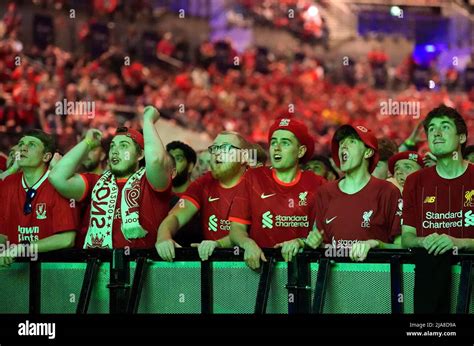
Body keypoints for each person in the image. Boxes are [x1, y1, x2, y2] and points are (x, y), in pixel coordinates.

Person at [49, 106, 172, 249]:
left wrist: (148, 121)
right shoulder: (96, 182)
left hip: (138, 268)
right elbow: (57, 177)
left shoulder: (151, 181)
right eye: (113, 146)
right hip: (97, 268)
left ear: (140, 155)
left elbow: (156, 159)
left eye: (124, 146)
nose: (115, 151)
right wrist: (87, 143)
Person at [229, 117, 325, 269]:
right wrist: (247, 243)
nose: (277, 148)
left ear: (301, 151)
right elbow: (236, 229)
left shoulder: (318, 183)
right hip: (260, 270)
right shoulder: (253, 177)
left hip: (302, 272)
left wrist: (302, 242)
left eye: (285, 143)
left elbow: (324, 231)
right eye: (273, 142)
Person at [306, 124, 402, 262]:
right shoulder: (324, 192)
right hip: (334, 278)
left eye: (351, 141)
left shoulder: (388, 192)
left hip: (376, 278)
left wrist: (377, 244)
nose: (343, 146)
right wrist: (315, 243)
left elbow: (402, 246)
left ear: (368, 152)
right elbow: (325, 248)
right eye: (341, 143)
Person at [156, 131, 249, 261]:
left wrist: (219, 244)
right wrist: (163, 238)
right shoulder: (204, 182)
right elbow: (176, 216)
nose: (217, 152)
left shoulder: (256, 183)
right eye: (214, 148)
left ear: (244, 157)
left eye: (225, 148)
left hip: (252, 268)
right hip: (212, 268)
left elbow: (247, 231)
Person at [402, 105, 474, 253]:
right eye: (432, 129)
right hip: (429, 270)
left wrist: (459, 243)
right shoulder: (414, 181)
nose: (436, 133)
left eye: (445, 127)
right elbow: (406, 238)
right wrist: (422, 241)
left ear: (461, 137)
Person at [0, 130, 77, 267]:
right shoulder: (8, 183)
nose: (23, 147)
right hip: (12, 271)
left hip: (50, 271)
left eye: (32, 145)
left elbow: (66, 239)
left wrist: (22, 248)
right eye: (21, 144)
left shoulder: (58, 184)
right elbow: (2, 234)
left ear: (46, 157)